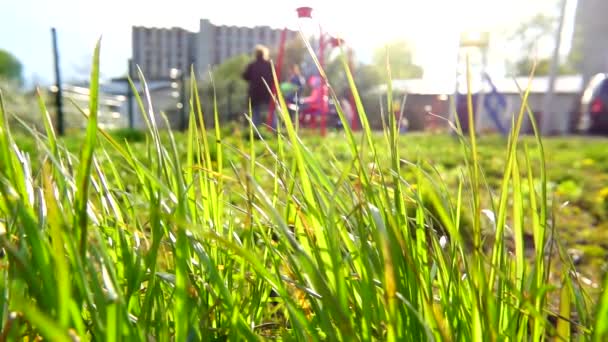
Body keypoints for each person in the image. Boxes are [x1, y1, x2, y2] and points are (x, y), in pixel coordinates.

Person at [242, 45, 275, 126]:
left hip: (255, 93)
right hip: (267, 91)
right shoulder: (269, 65)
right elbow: (275, 76)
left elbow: (244, 76)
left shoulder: (252, 65)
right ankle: (274, 128)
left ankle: (256, 130)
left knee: (255, 112)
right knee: (272, 110)